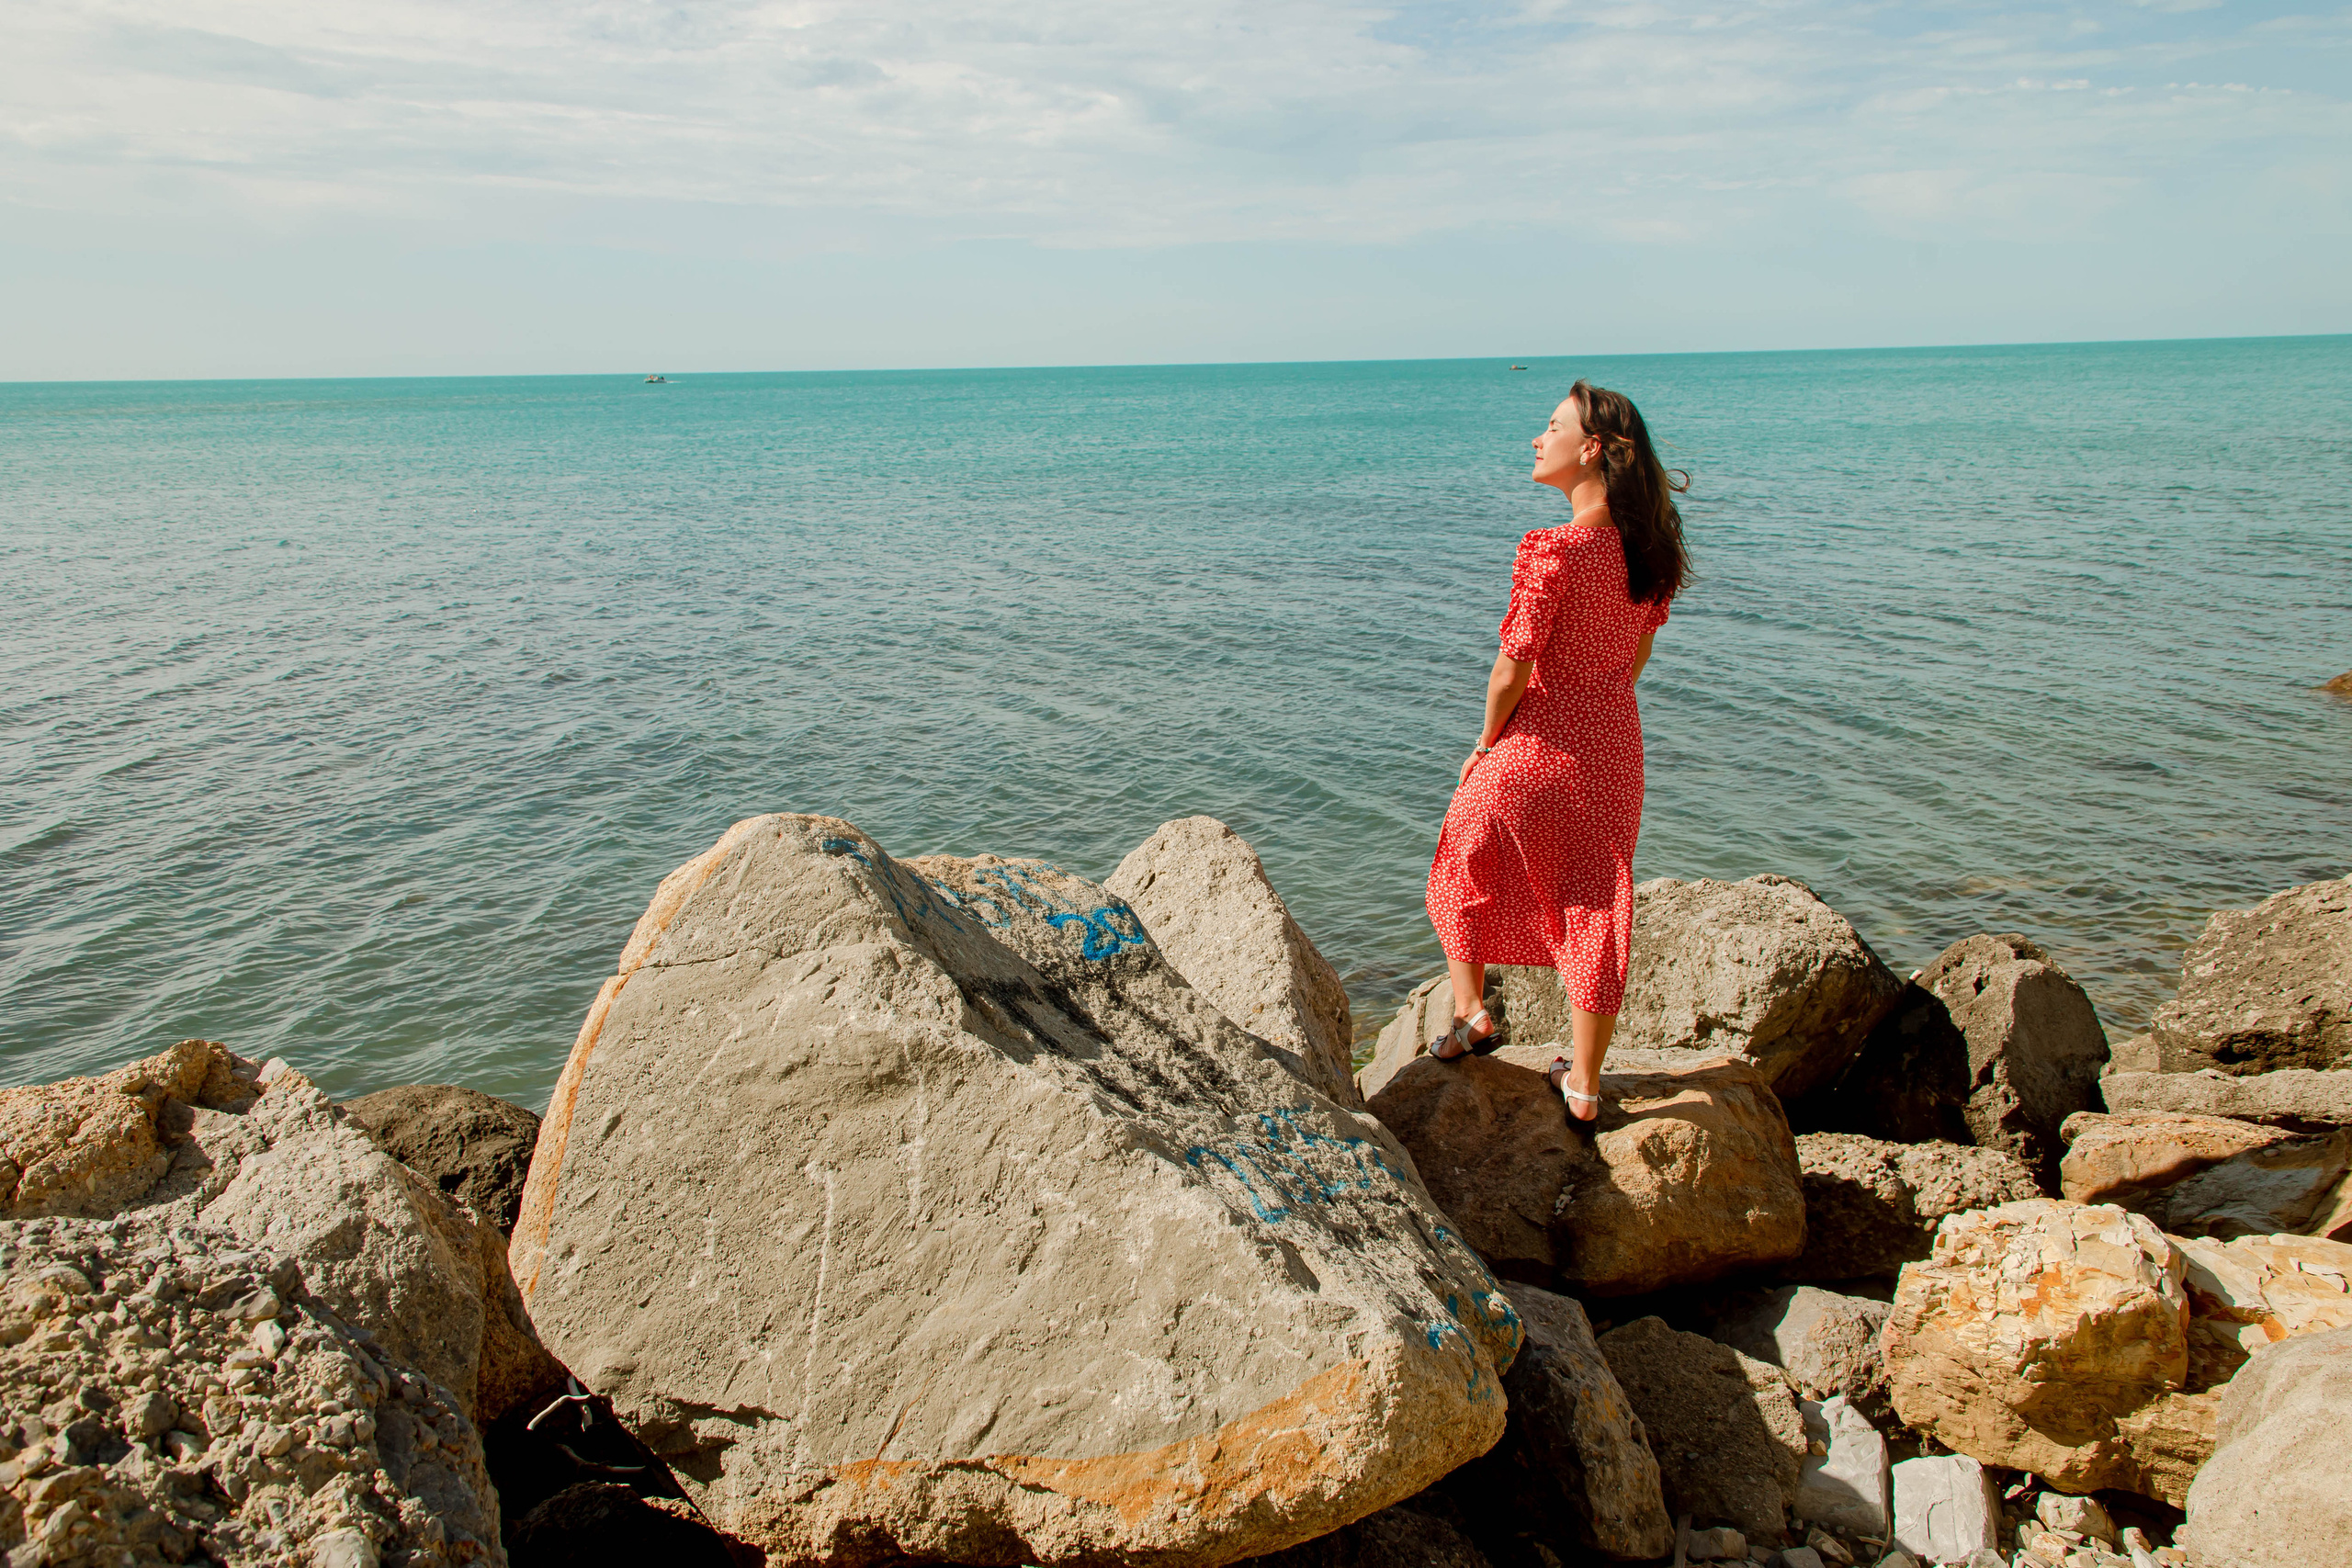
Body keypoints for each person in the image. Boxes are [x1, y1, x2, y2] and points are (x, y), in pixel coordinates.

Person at [1421, 379, 1690, 1121]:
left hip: (1539, 736)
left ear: (1592, 448)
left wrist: (1485, 743)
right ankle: (1584, 1080)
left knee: (1462, 852)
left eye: (1550, 426)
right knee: (1597, 899)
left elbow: (1513, 665)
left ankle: (1472, 1010)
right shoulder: (1648, 555)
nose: (1538, 439)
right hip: (1613, 744)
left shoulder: (1554, 549)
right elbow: (1631, 668)